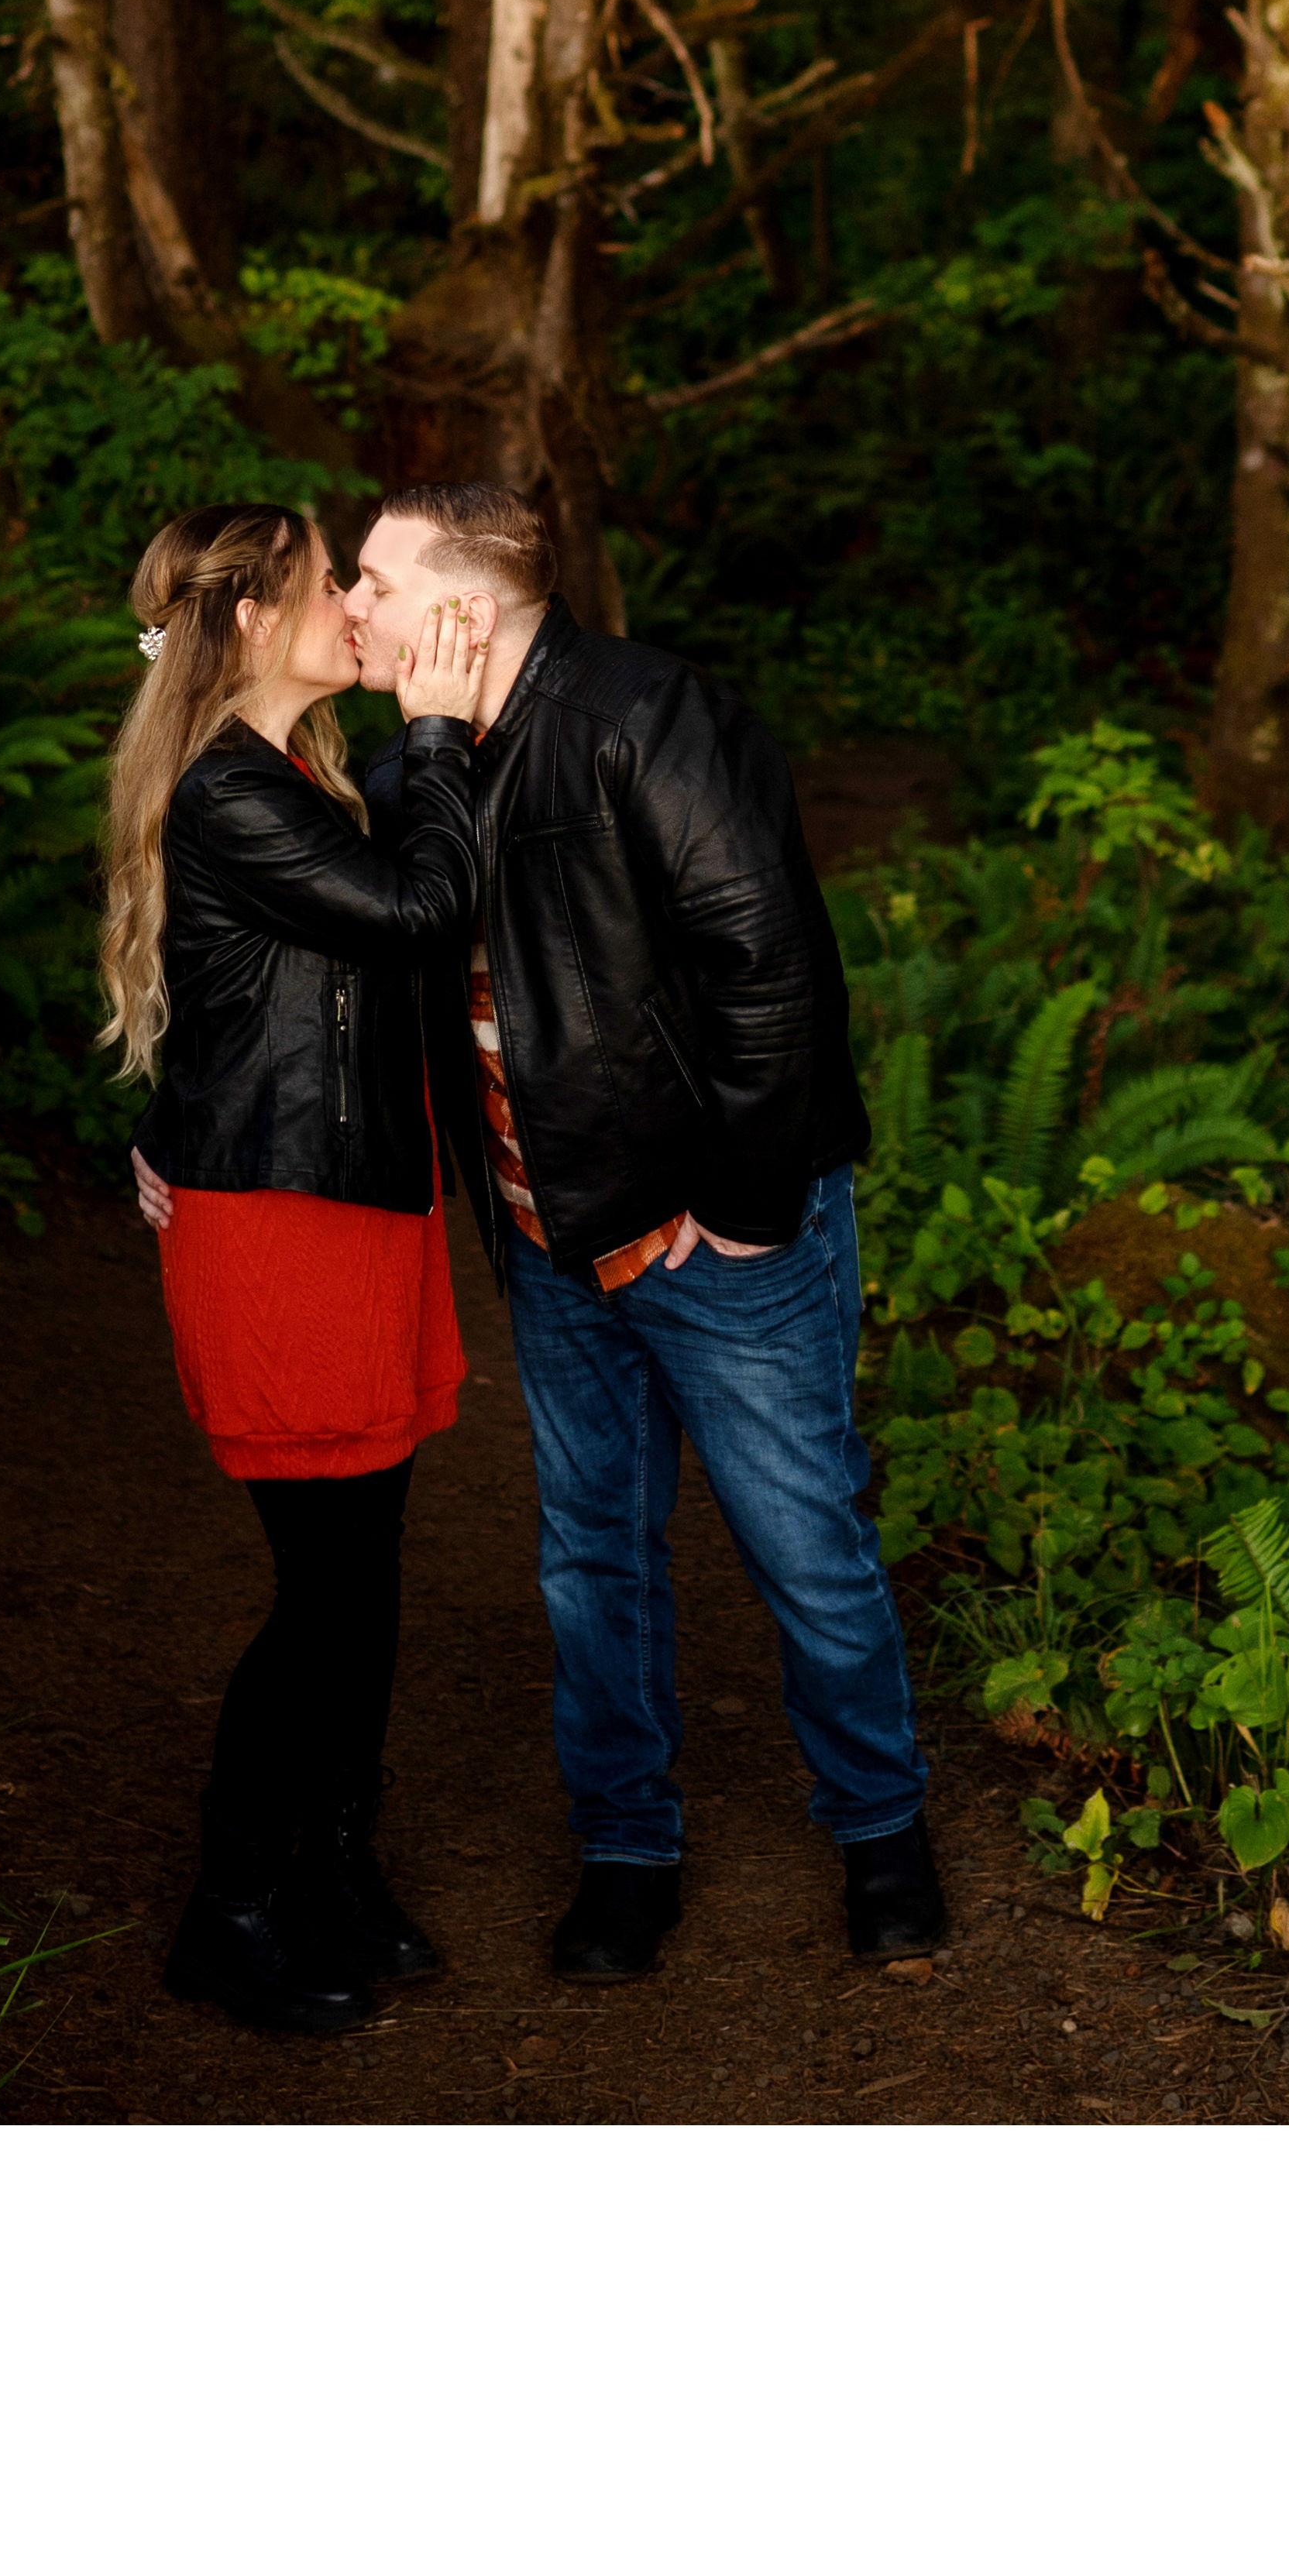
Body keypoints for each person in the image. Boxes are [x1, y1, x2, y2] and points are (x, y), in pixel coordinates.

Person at [343, 477, 947, 1981]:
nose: (348, 605)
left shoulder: (648, 718)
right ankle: (627, 1850)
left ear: (462, 610)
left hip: (711, 1236)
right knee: (591, 1555)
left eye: (372, 580)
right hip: (555, 1243)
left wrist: (738, 1212)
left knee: (803, 1542)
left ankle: (883, 1833)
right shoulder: (412, 758)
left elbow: (773, 971)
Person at [98, 500, 495, 2037]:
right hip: (282, 1229)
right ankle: (234, 1907)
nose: (348, 601)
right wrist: (444, 729)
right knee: (322, 1598)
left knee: (367, 1581)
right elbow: (419, 912)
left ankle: (332, 1865)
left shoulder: (293, 774)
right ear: (252, 623)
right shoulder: (222, 795)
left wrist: (163, 1112)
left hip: (358, 1207)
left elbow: (236, 998)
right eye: (326, 582)